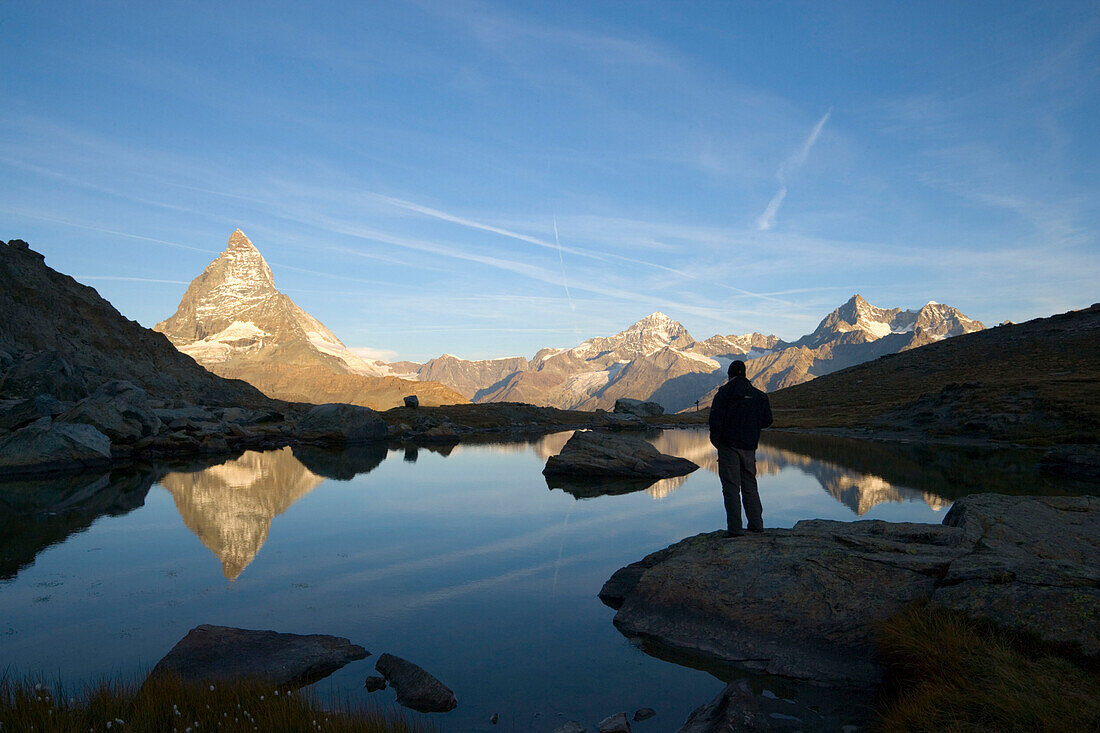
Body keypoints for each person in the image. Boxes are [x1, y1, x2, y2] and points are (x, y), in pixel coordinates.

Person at [708, 360, 773, 537]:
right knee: (750, 485)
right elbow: (767, 421)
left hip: (728, 446)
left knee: (731, 487)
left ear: (729, 375)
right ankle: (757, 525)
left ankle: (735, 529)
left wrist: (717, 442)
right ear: (745, 374)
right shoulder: (759, 396)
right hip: (749, 447)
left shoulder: (724, 393)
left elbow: (715, 420)